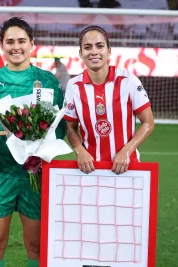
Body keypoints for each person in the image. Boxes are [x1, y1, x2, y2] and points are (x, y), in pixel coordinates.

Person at [0, 17, 66, 267]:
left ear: (32, 44)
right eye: (9, 41)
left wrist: (44, 153)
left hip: (34, 176)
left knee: (36, 245)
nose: (16, 46)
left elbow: (61, 127)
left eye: (22, 41)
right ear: (2, 46)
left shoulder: (48, 82)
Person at [64, 25, 154, 175]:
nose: (94, 52)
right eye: (87, 47)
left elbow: (148, 122)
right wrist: (80, 150)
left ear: (109, 51)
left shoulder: (128, 81)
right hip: (90, 170)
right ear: (80, 53)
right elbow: (70, 128)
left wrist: (126, 151)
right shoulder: (73, 86)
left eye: (100, 46)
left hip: (128, 168)